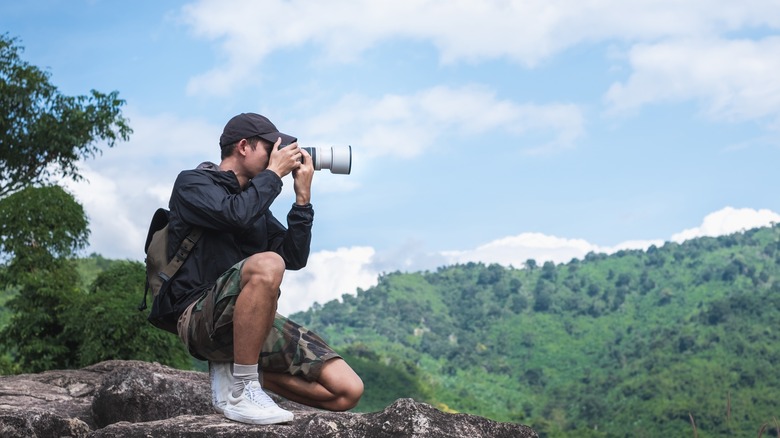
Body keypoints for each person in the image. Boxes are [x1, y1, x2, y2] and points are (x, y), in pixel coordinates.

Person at [159, 113, 363, 425]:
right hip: (198, 317)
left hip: (247, 323)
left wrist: (303, 199)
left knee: (347, 390)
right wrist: (272, 176)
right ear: (243, 146)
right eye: (271, 148)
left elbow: (293, 256)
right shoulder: (193, 183)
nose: (279, 155)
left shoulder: (254, 204)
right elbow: (235, 216)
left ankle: (241, 370)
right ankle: (243, 389)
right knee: (267, 264)